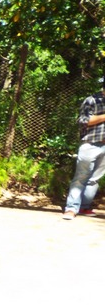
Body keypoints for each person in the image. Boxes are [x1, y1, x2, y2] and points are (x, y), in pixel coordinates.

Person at [62, 77, 105, 220]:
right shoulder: (91, 100)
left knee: (94, 180)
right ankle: (71, 209)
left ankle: (84, 207)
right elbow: (84, 121)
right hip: (90, 144)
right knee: (81, 178)